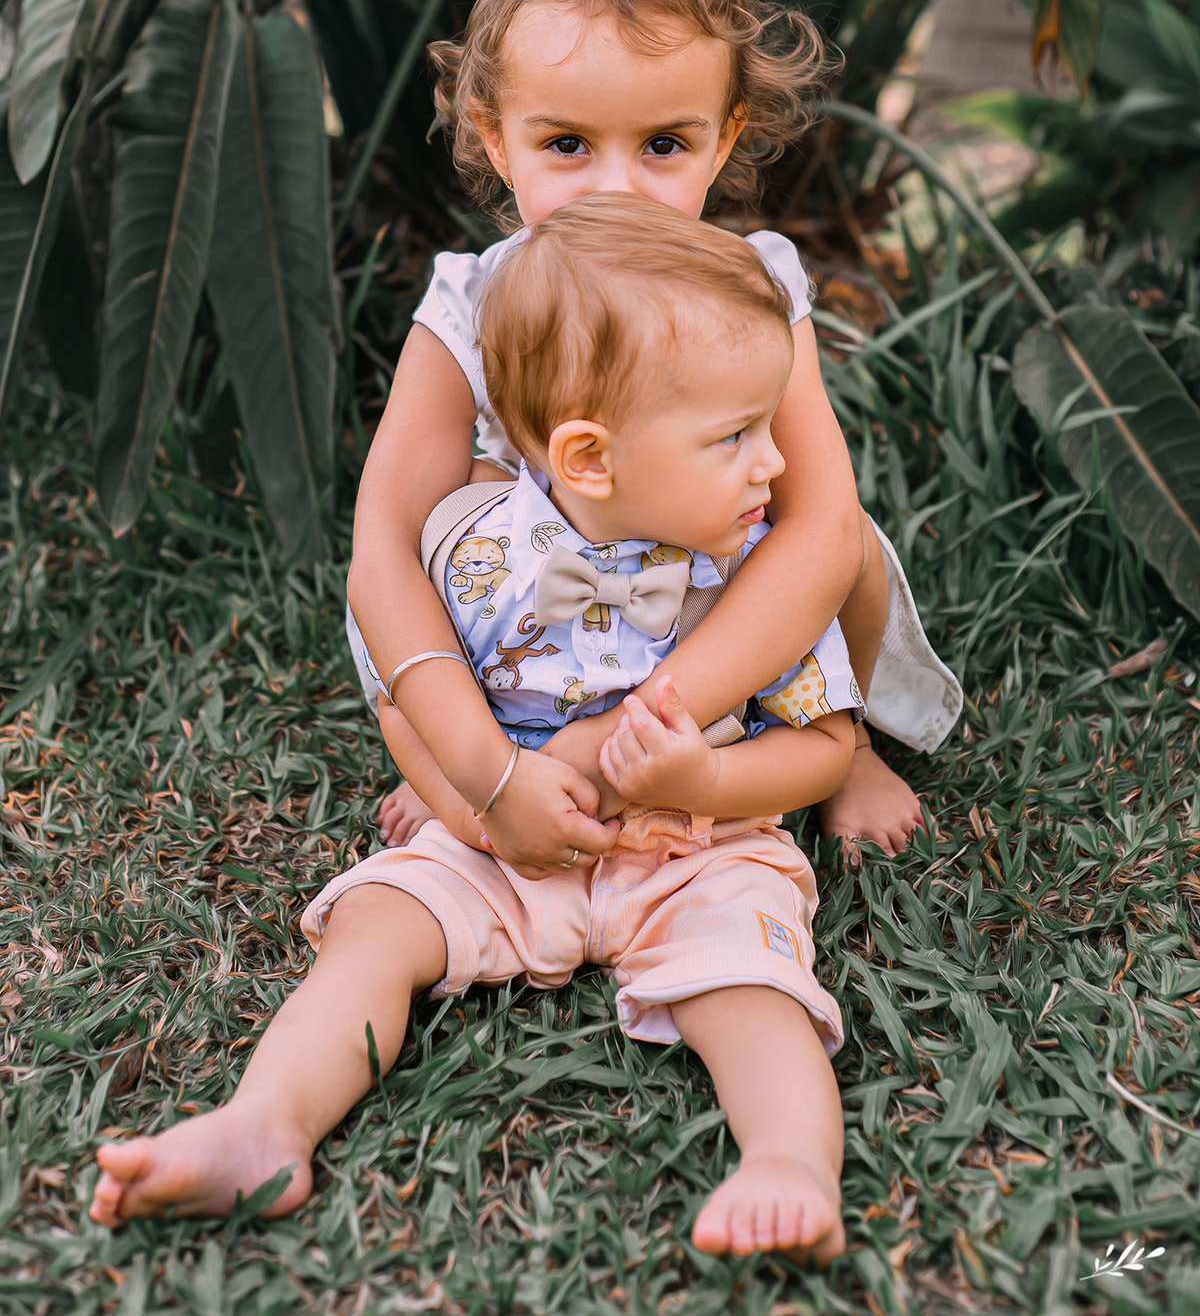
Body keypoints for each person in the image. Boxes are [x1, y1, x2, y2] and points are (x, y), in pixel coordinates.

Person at [90, 199, 862, 1259]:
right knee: (375, 931)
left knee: (754, 982)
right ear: (587, 456)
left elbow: (824, 748)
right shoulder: (480, 552)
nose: (776, 462)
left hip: (699, 846)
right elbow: (402, 688)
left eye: (769, 424)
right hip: (501, 837)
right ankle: (262, 1122)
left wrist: (700, 776)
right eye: (736, 435)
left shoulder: (757, 578)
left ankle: (788, 1160)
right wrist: (473, 796)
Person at [364, 0, 960, 868]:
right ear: (491, 134)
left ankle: (837, 740)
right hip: (548, 604)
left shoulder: (751, 284)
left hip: (718, 579)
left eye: (664, 145)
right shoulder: (470, 304)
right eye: (565, 143)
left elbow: (814, 532)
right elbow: (384, 548)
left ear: (722, 139)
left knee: (844, 538)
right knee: (441, 521)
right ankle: (495, 742)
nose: (616, 189)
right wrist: (478, 771)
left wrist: (630, 731)